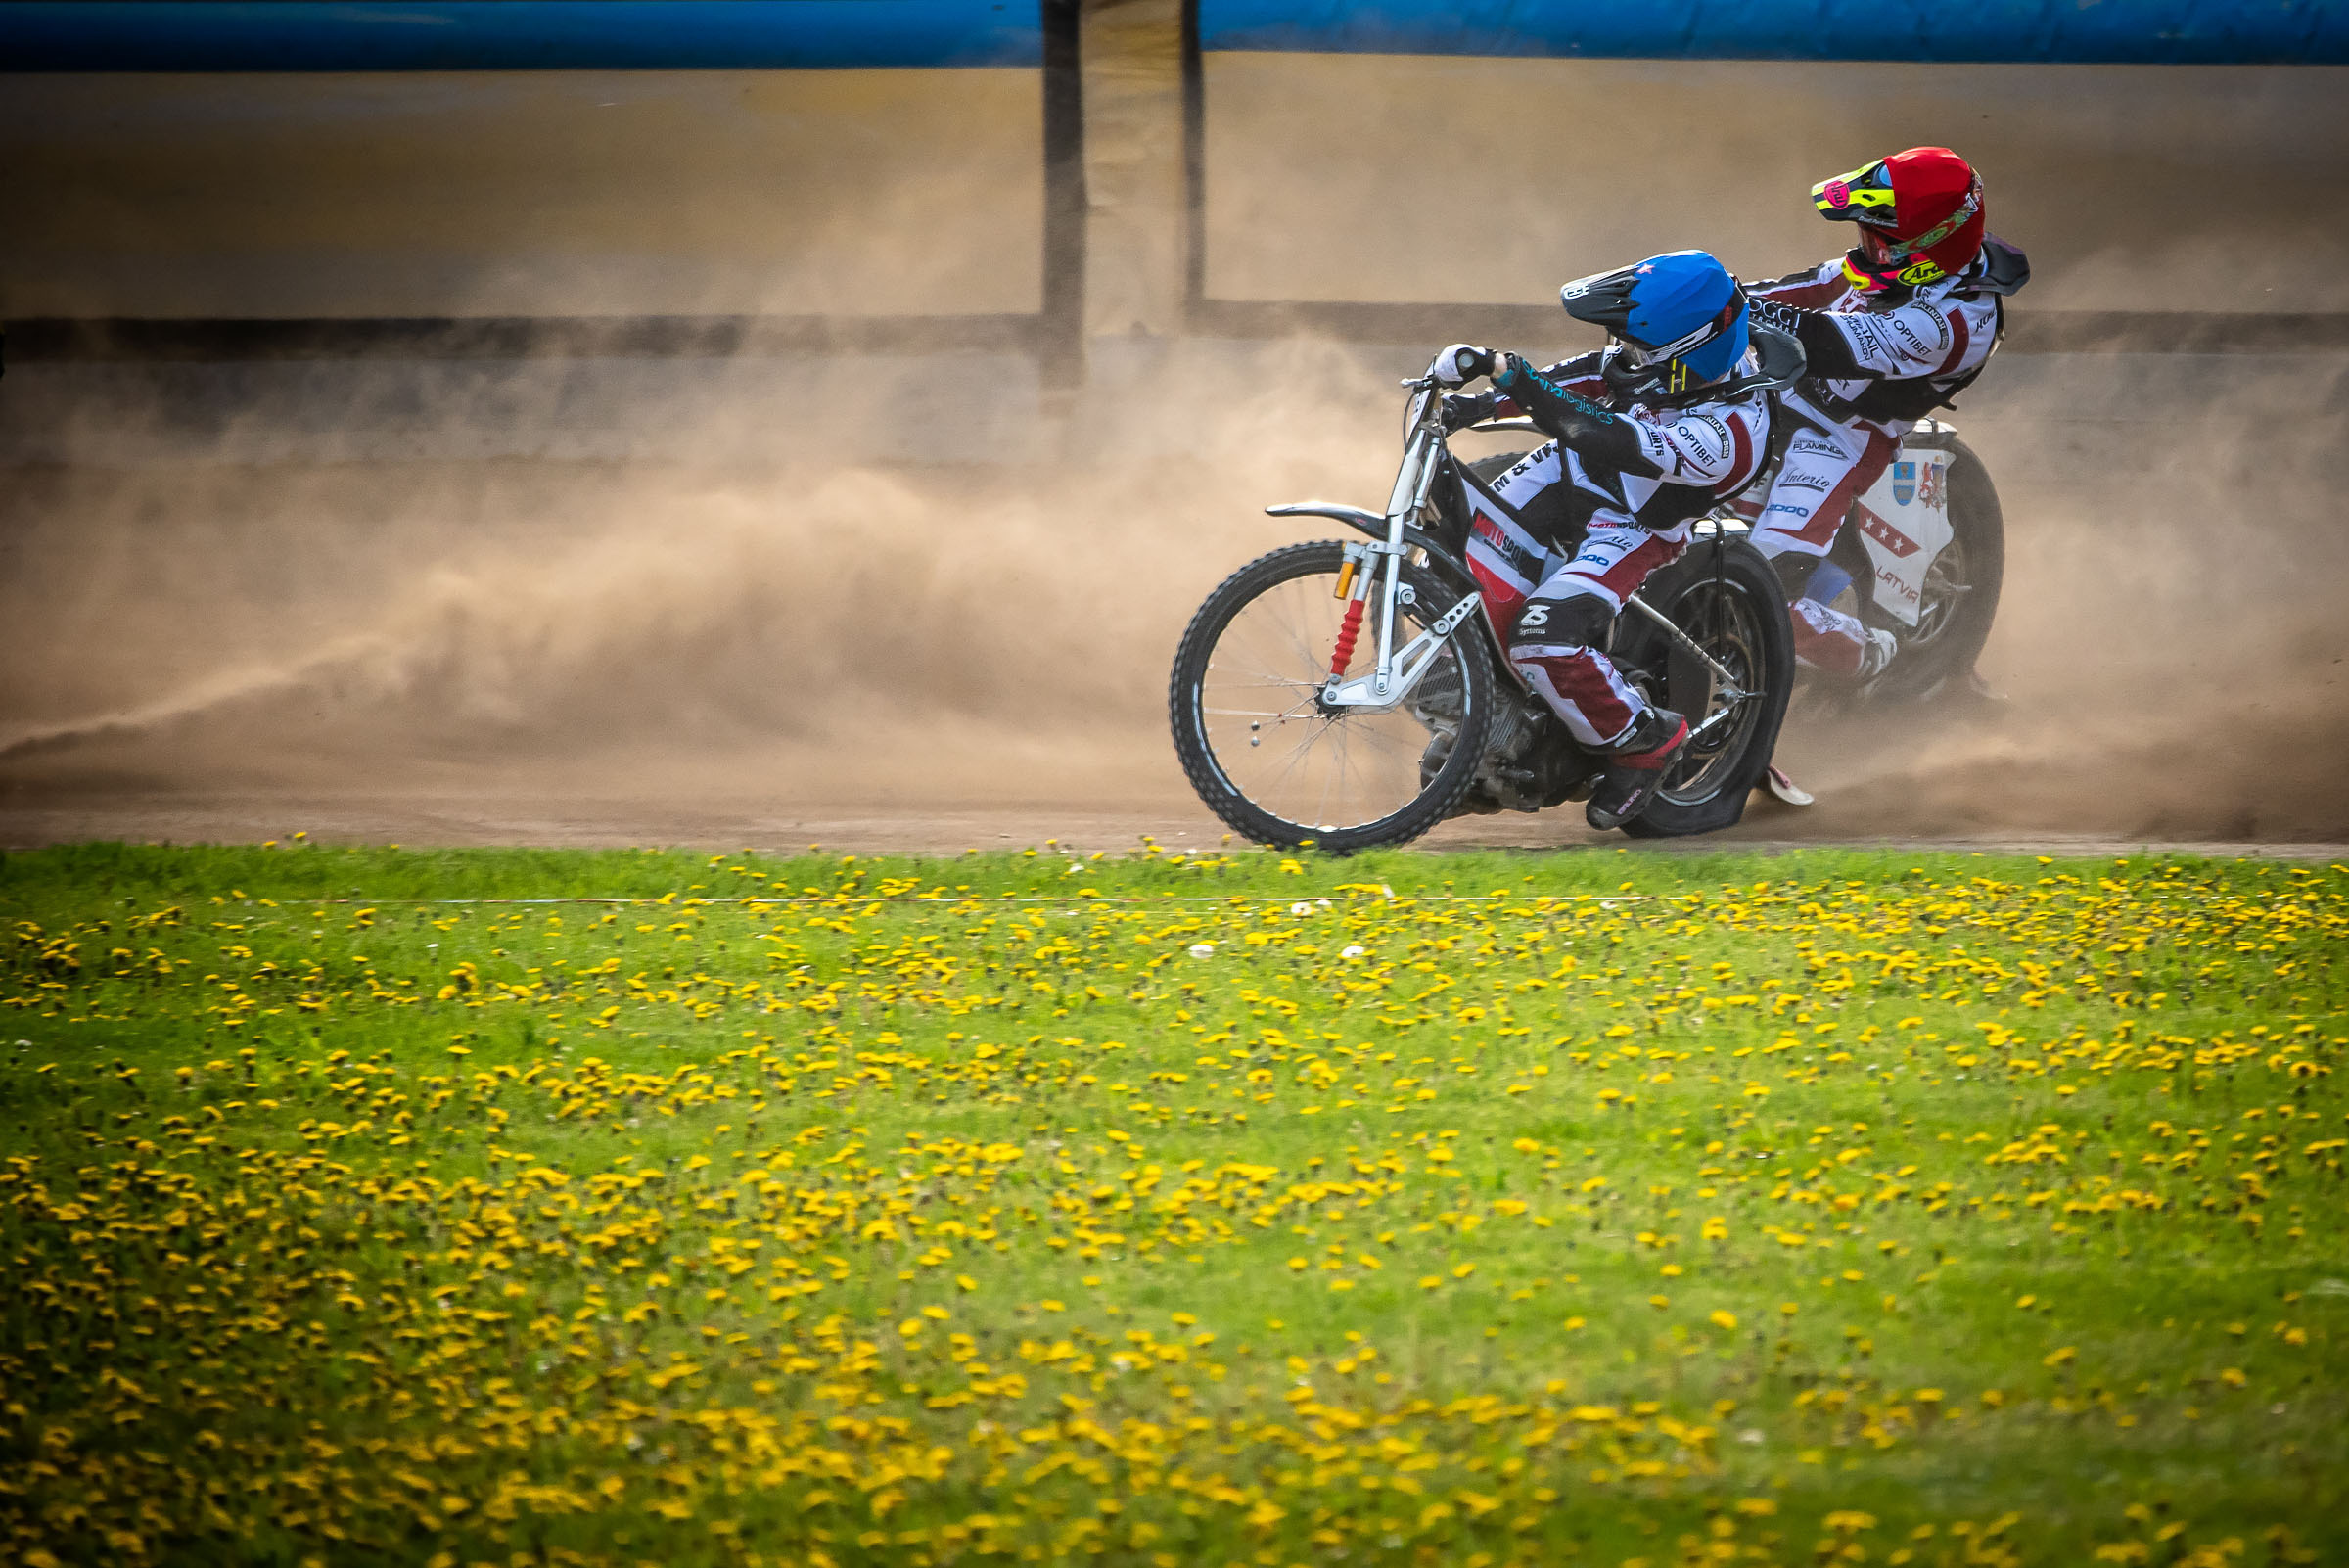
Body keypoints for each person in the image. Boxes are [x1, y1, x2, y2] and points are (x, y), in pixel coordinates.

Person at [1429, 250, 1798, 831]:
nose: (1624, 352)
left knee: (1543, 637)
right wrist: (1477, 403)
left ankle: (1644, 740)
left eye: (1638, 345)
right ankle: (1490, 724)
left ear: (1689, 349)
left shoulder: (1730, 432)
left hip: (1633, 524)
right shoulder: (1665, 361)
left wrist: (1511, 374)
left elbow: (1605, 434)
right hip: (1572, 469)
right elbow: (1586, 378)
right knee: (1455, 547)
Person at [1740, 146, 2029, 679]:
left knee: (1760, 590)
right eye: (1866, 235)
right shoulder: (1887, 267)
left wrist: (1724, 316)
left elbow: (1828, 342)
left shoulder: (1955, 321)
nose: (1865, 249)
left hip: (1837, 440)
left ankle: (1870, 651)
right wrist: (1707, 300)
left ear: (1928, 247)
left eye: (1878, 240)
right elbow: (1797, 291)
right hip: (1770, 394)